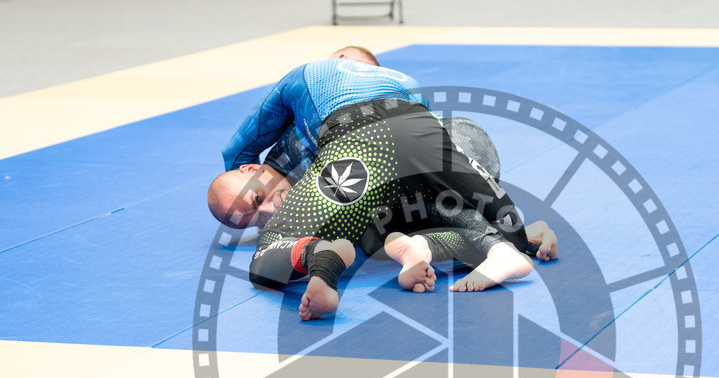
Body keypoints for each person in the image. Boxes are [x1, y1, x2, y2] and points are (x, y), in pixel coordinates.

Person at [210, 47, 556, 319]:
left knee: (290, 253)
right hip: (419, 157)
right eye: (254, 218)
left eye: (257, 200)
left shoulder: (303, 109)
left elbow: (241, 144)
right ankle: (496, 243)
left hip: (415, 143)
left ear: (341, 61)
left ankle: (342, 257)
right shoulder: (403, 85)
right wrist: (519, 232)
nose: (269, 209)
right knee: (395, 221)